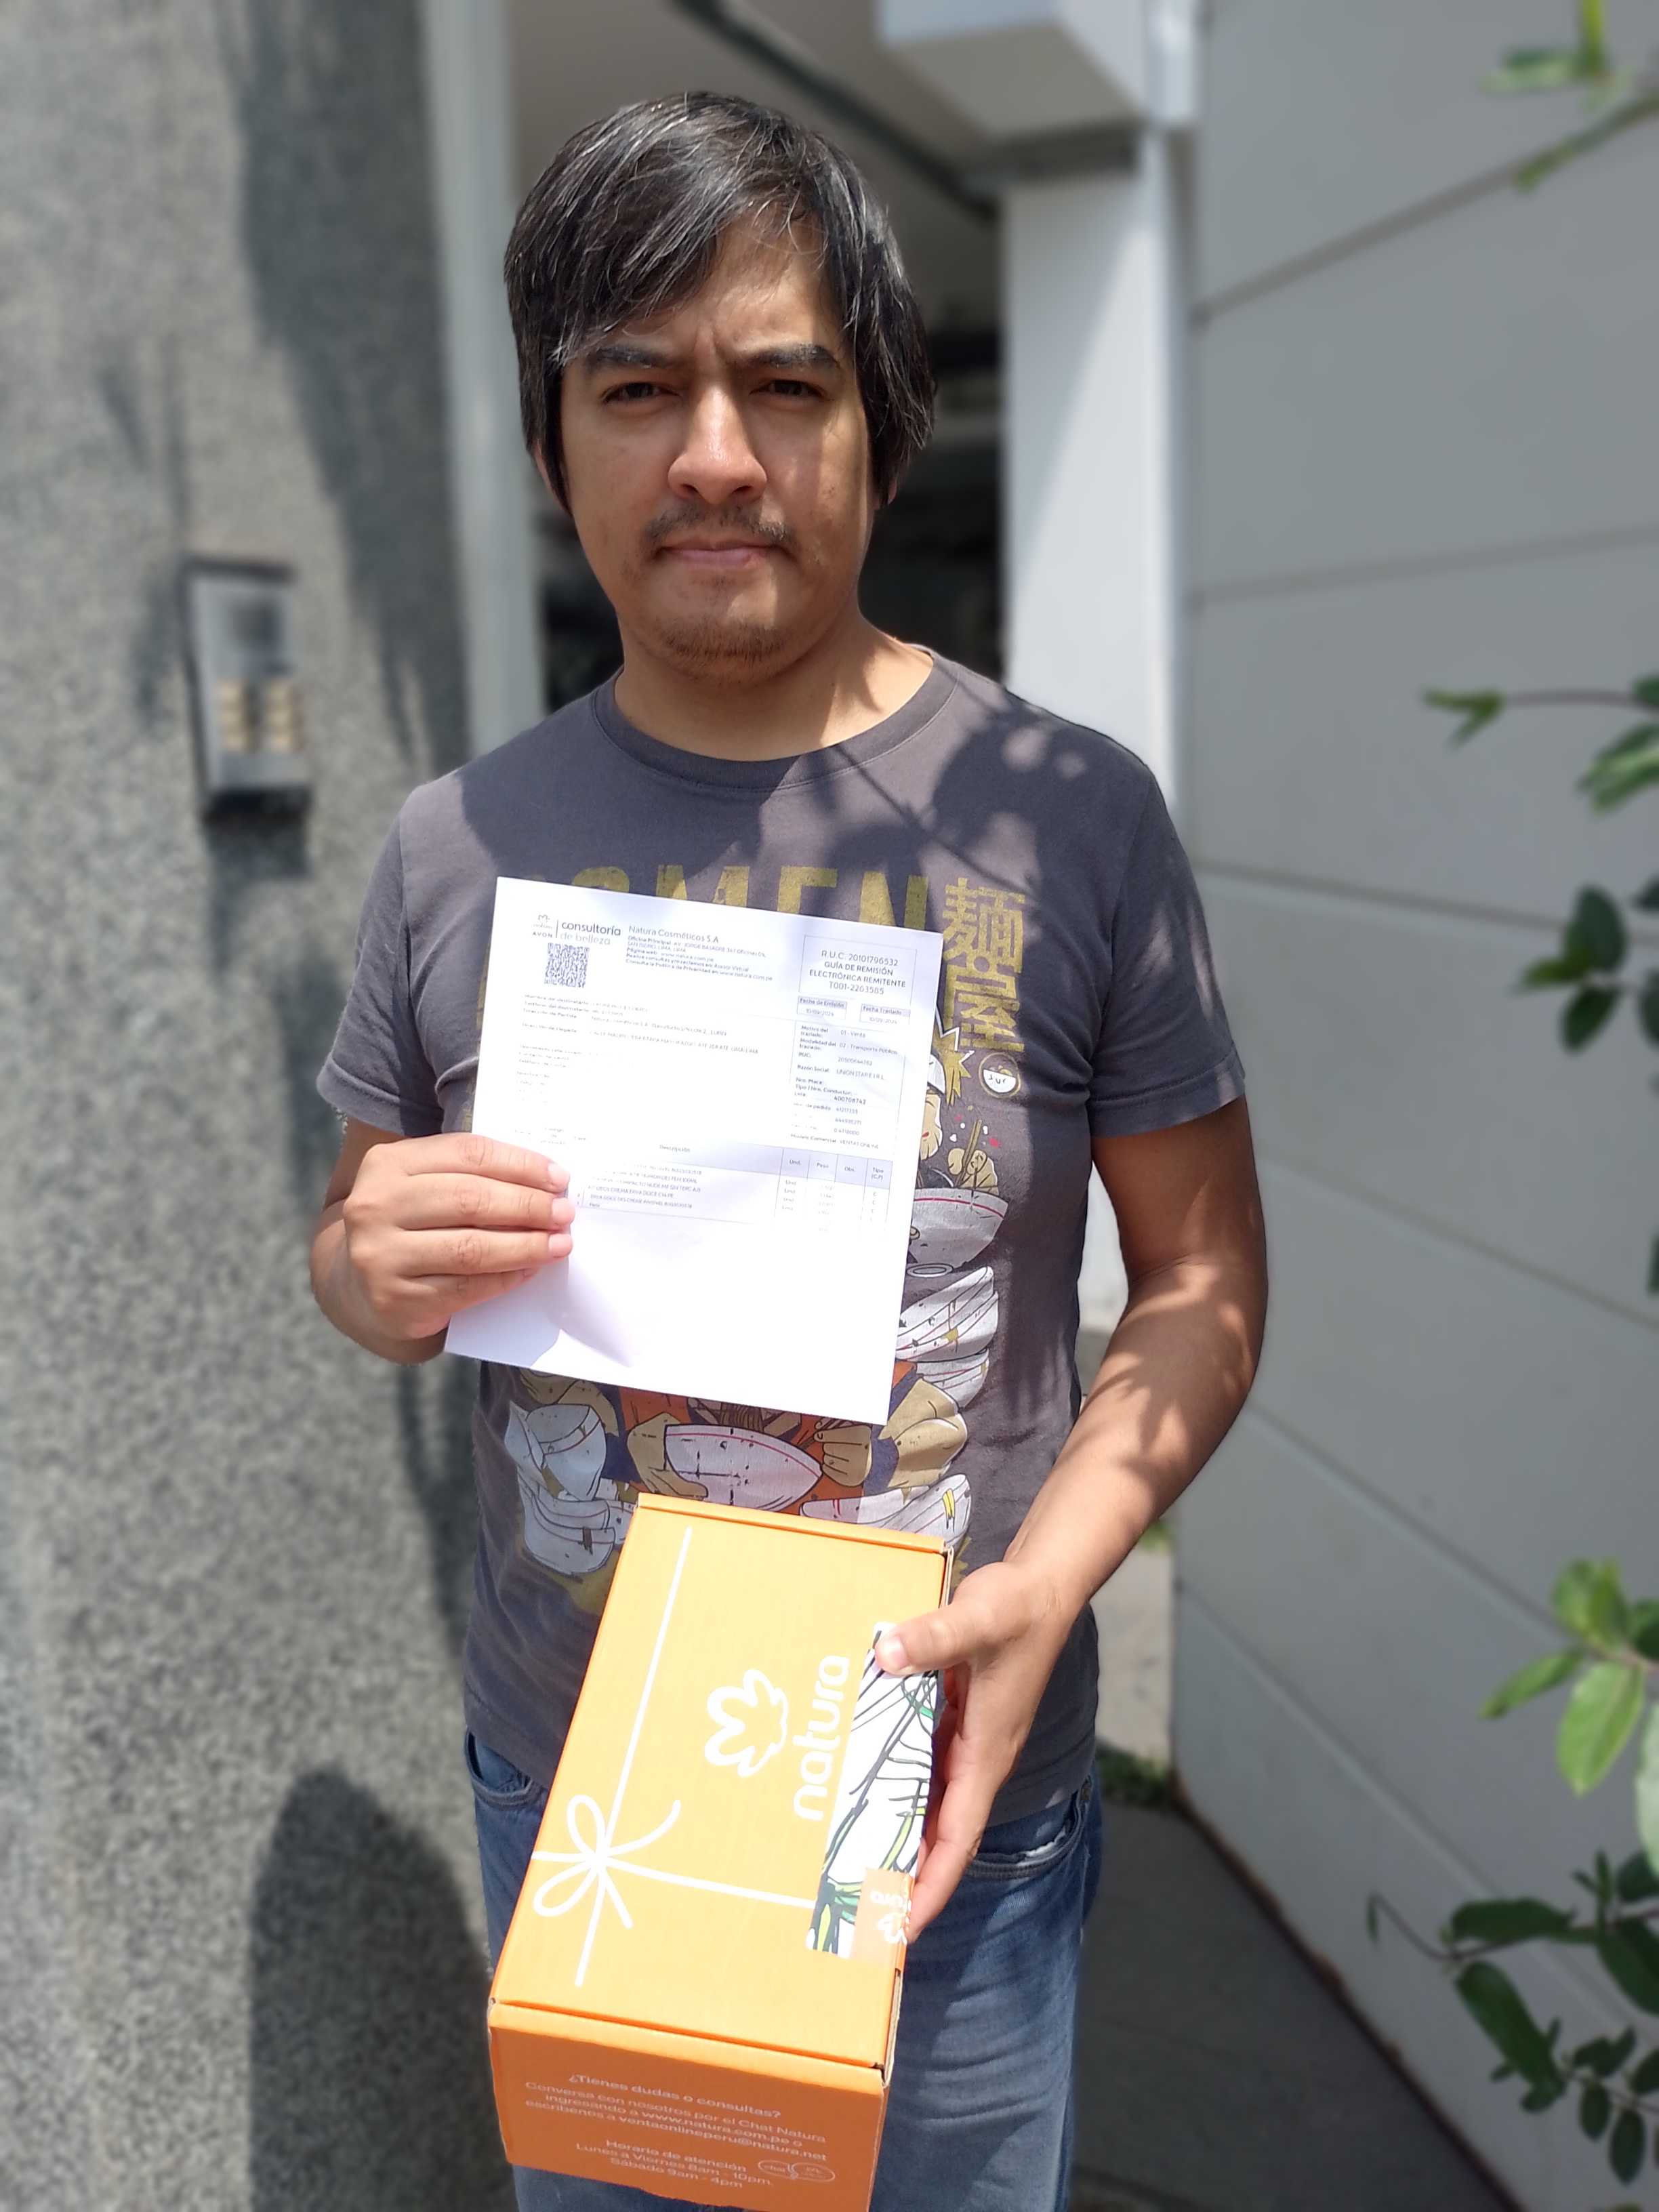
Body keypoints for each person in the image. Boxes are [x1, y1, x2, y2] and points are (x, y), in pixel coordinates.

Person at [310, 91, 1267, 2212]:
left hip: (939, 1790)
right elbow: (361, 1240)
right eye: (637, 388)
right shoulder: (456, 848)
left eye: (785, 386)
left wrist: (1049, 1587)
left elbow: (1204, 1281)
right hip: (584, 1782)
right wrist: (366, 1272)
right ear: (552, 441)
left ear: (882, 430)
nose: (715, 454)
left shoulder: (1068, 818)